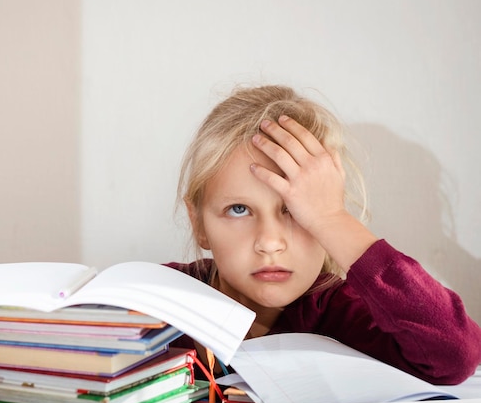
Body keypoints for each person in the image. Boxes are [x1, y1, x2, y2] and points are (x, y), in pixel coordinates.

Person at [166, 85, 481, 385]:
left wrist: (330, 218)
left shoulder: (339, 313)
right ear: (198, 223)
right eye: (238, 209)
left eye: (294, 209)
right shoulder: (159, 300)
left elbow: (456, 354)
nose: (270, 243)